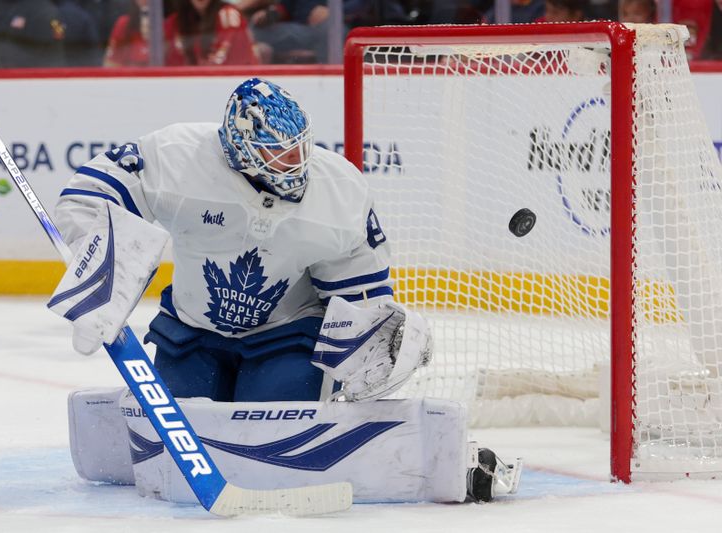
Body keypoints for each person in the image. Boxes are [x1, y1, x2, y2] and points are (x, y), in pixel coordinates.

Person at [51, 78, 521, 503]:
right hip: (191, 331)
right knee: (173, 438)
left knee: (277, 440)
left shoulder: (340, 193)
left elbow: (360, 297)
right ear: (239, 150)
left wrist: (373, 350)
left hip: (286, 337)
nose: (295, 163)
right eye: (279, 153)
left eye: (299, 149)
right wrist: (100, 268)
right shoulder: (178, 157)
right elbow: (90, 195)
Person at [170, 0, 258, 65]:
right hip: (196, 81)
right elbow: (173, 58)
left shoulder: (228, 14)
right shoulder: (178, 20)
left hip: (236, 80)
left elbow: (221, 58)